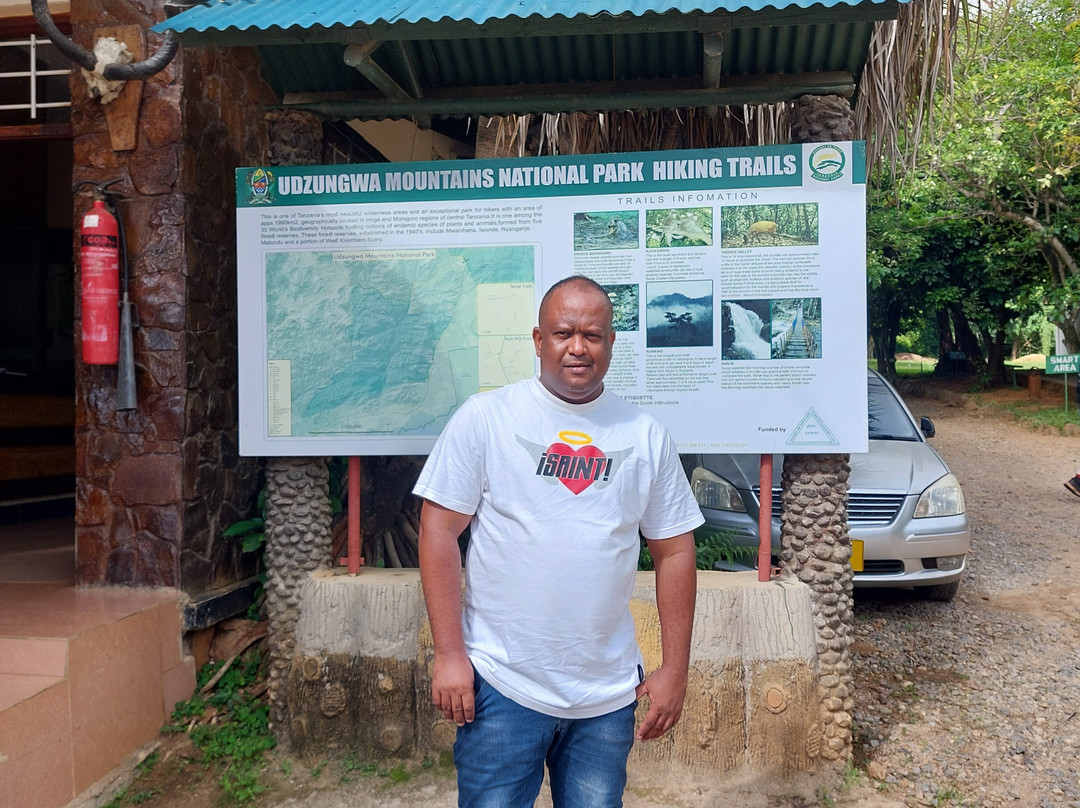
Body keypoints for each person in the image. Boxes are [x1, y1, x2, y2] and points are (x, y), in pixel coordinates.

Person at [413, 274, 703, 808]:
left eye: (592, 335)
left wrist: (675, 668)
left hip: (606, 696)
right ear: (538, 340)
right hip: (501, 685)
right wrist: (450, 653)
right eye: (563, 332)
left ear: (612, 343)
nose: (577, 347)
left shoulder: (644, 434)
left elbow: (675, 550)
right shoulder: (488, 418)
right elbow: (438, 531)